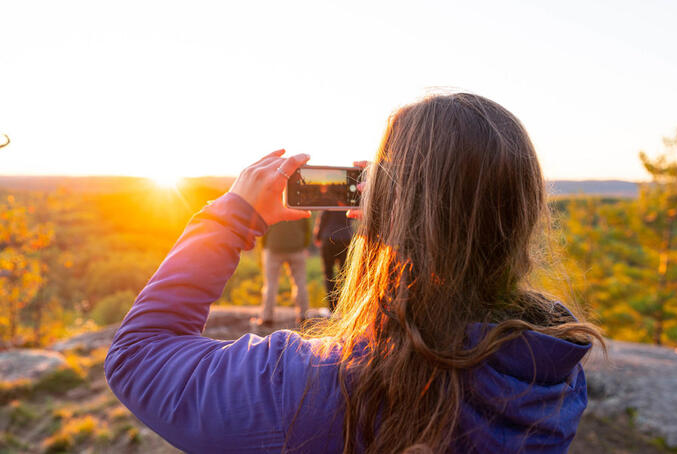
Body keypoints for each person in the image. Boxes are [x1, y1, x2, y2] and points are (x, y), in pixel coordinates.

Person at [105, 93, 603, 454]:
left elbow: (139, 354)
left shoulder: (314, 386)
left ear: (393, 203)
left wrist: (234, 214)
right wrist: (410, 228)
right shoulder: (552, 371)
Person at [257, 218, 311, 327]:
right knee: (300, 283)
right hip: (296, 248)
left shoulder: (272, 204)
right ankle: (304, 316)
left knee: (270, 284)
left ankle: (267, 317)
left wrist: (264, 246)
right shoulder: (300, 205)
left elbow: (262, 228)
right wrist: (302, 245)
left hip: (273, 247)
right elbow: (307, 230)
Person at [314, 211, 354, 311]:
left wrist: (318, 237)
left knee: (328, 273)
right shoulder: (346, 204)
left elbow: (322, 220)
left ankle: (333, 307)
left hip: (328, 239)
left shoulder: (328, 203)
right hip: (345, 238)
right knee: (345, 274)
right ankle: (347, 304)